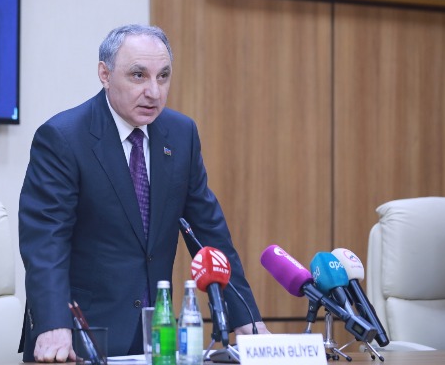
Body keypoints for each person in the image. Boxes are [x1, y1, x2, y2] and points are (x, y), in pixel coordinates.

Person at [18, 24, 269, 363]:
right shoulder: (63, 137)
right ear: (105, 74)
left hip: (156, 336)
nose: (154, 91)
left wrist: (245, 317)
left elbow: (209, 234)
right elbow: (46, 242)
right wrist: (52, 323)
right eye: (138, 76)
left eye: (163, 76)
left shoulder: (181, 134)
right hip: (80, 335)